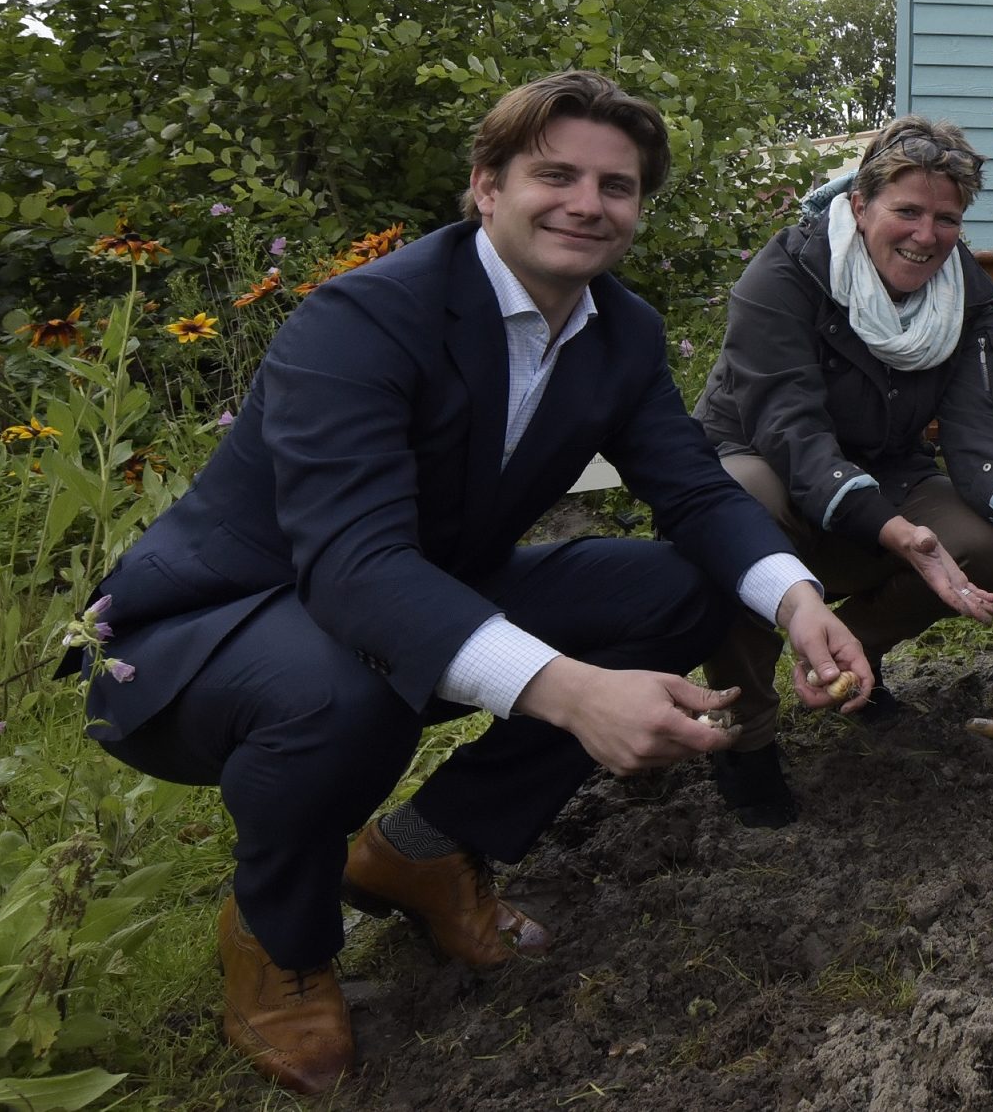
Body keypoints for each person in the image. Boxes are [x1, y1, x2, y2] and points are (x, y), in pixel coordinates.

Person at [74, 72, 875, 1096]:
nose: (588, 202)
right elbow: (354, 566)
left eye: (617, 186)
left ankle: (425, 849)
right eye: (556, 174)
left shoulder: (617, 331)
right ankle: (280, 938)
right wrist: (576, 691)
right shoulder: (364, 317)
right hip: (201, 641)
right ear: (486, 186)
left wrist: (798, 601)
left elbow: (691, 485)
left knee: (675, 590)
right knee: (340, 686)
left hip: (396, 601)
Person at [694, 116, 993, 827]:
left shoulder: (967, 299)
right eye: (906, 210)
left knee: (990, 547)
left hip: (883, 467)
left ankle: (852, 659)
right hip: (761, 460)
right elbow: (790, 430)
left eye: (947, 217)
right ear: (859, 205)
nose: (926, 234)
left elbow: (976, 438)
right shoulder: (783, 276)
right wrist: (890, 527)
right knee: (739, 509)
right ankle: (746, 737)